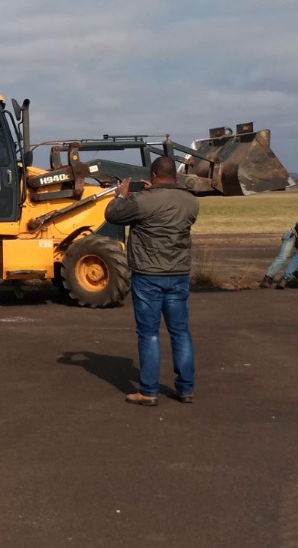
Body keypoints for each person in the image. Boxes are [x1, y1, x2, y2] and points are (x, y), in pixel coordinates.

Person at [104, 156, 200, 407]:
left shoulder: (141, 201)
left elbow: (113, 215)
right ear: (175, 177)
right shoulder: (191, 201)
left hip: (148, 275)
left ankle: (148, 391)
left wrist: (122, 195)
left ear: (153, 176)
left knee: (149, 334)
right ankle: (186, 389)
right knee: (180, 332)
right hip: (178, 273)